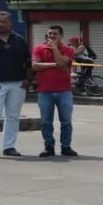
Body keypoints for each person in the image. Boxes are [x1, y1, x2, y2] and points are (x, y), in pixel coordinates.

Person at [0, 12, 32, 159]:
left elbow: (27, 60)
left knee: (13, 116)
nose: (1, 24)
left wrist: (28, 79)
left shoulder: (19, 40)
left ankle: (9, 147)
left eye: (4, 22)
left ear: (10, 23)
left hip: (18, 84)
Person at [31, 26, 77, 157]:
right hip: (45, 91)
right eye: (49, 34)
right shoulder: (39, 48)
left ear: (61, 35)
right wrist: (53, 65)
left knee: (66, 122)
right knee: (46, 122)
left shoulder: (68, 49)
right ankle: (49, 146)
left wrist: (55, 49)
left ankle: (66, 146)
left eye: (55, 34)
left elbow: (62, 63)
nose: (51, 36)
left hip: (64, 91)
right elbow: (35, 66)